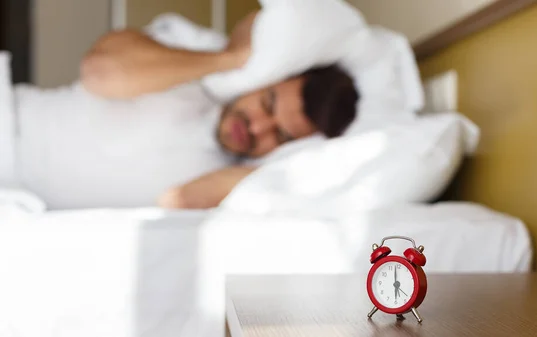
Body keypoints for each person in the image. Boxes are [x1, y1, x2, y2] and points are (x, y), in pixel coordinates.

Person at [9, 11, 359, 210]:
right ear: (265, 79)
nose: (257, 128)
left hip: (14, 204)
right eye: (267, 104)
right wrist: (230, 60)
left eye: (280, 135)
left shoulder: (229, 182)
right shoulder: (194, 54)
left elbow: (175, 202)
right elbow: (100, 71)